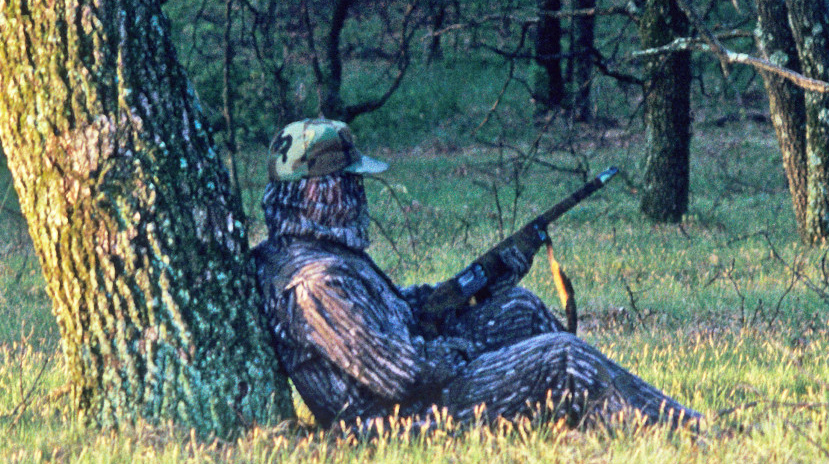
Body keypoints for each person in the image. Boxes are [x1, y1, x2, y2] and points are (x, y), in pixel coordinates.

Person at [251, 118, 698, 433]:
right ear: (318, 192)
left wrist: (466, 289)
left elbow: (384, 315)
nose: (359, 195)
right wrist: (460, 350)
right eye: (350, 184)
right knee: (561, 357)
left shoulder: (314, 250)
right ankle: (680, 432)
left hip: (415, 392)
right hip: (402, 422)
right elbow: (398, 373)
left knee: (519, 308)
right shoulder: (317, 279)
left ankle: (597, 416)